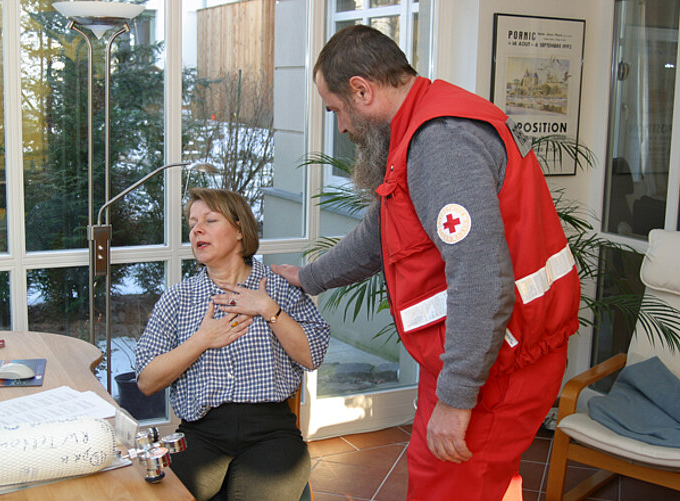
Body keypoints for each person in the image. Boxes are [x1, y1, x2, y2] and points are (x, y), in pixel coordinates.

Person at [272, 25, 581, 501]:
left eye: (336, 110)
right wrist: (310, 276)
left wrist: (456, 399)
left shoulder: (441, 144)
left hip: (499, 366)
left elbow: (481, 277)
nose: (343, 127)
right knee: (489, 482)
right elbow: (383, 232)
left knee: (451, 486)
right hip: (489, 355)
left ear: (362, 90)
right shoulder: (427, 121)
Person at [135, 188, 330, 501]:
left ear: (240, 230)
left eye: (210, 220)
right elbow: (146, 381)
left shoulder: (280, 287)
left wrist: (269, 310)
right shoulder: (178, 299)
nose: (196, 229)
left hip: (272, 433)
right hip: (200, 433)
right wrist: (202, 340)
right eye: (192, 222)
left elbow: (312, 356)